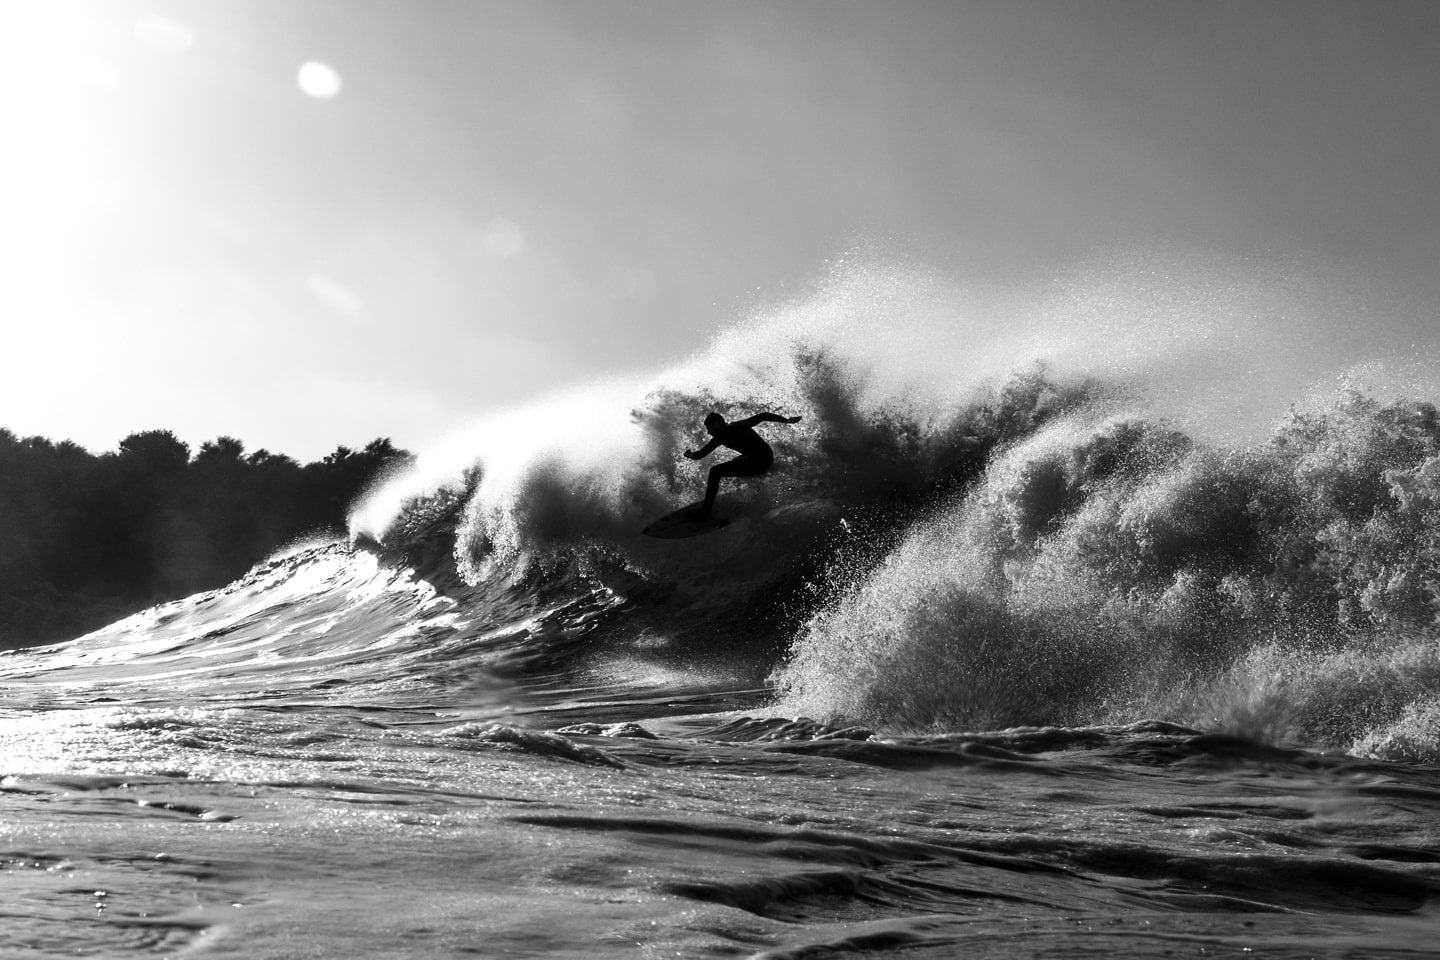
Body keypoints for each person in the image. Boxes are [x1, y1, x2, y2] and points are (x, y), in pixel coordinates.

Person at [684, 410, 802, 516]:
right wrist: (786, 420)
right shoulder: (738, 424)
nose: (709, 432)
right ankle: (752, 491)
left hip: (759, 463)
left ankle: (704, 512)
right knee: (735, 462)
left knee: (715, 472)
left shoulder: (721, 436)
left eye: (709, 428)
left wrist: (690, 455)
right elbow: (763, 416)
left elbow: (700, 455)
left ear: (717, 425)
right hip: (767, 456)